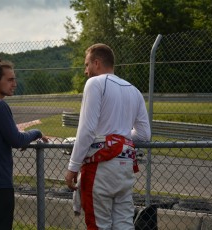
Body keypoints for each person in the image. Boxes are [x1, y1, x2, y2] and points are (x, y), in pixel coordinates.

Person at [65, 43, 151, 229]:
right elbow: (144, 134)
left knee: (98, 224)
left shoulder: (95, 83)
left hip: (100, 167)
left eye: (87, 65)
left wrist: (73, 166)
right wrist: (120, 140)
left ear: (97, 63)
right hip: (125, 167)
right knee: (124, 224)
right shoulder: (134, 90)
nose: (85, 71)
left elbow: (87, 130)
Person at [0, 55, 48, 230]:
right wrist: (36, 133)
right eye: (10, 80)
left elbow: (7, 135)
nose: (14, 83)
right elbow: (16, 140)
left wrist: (20, 137)